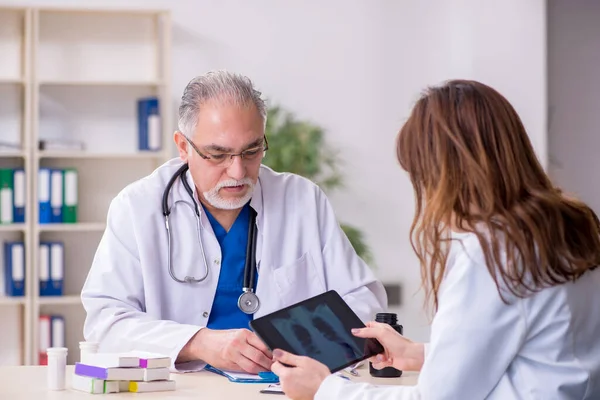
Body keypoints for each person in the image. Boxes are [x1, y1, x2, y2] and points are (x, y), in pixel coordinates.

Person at [271, 79, 600, 399]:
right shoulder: (568, 225)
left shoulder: (492, 253)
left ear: (446, 172)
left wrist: (324, 390)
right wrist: (421, 354)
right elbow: (538, 354)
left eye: (422, 176)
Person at [80, 70, 387, 373]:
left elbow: (364, 300)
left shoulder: (303, 200)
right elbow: (105, 323)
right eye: (218, 154)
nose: (238, 172)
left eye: (251, 151)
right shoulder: (137, 207)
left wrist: (300, 342)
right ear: (184, 147)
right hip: (183, 389)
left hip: (283, 388)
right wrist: (197, 342)